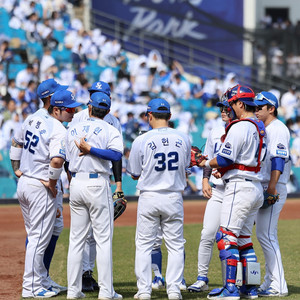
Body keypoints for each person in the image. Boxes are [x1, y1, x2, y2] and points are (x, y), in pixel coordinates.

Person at [9, 88, 80, 298]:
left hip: (26, 182)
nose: (73, 113)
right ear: (56, 109)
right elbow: (57, 161)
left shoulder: (32, 119)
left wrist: (16, 170)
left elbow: (16, 142)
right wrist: (51, 183)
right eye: (69, 110)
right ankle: (30, 287)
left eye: (74, 109)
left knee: (37, 236)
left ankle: (40, 280)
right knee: (38, 238)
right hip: (40, 185)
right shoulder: (58, 130)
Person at [197, 85, 266, 300]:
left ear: (241, 104)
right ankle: (250, 287)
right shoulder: (259, 126)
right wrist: (224, 170)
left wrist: (206, 162)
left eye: (232, 103)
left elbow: (225, 158)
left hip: (239, 187)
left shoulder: (240, 126)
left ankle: (230, 289)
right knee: (244, 239)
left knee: (225, 236)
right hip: (254, 185)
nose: (230, 107)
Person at [127, 98, 191, 300]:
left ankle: (144, 290)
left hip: (150, 197)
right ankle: (173, 289)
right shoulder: (184, 137)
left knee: (144, 245)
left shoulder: (141, 140)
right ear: (170, 116)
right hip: (174, 196)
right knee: (175, 245)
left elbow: (134, 173)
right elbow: (186, 168)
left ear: (149, 116)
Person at [66, 92, 124, 300]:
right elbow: (116, 155)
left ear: (89, 108)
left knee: (76, 240)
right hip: (97, 183)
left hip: (76, 183)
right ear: (107, 111)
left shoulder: (72, 128)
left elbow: (64, 158)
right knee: (103, 240)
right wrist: (92, 150)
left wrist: (86, 150)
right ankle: (107, 292)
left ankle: (73, 292)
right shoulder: (110, 128)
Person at [188, 99, 231, 293]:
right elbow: (207, 157)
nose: (222, 111)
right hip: (219, 189)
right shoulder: (215, 131)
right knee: (207, 234)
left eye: (226, 107)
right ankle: (202, 279)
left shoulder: (243, 129)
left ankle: (229, 283)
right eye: (221, 108)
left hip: (236, 190)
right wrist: (205, 180)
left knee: (229, 238)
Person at [254, 91, 291, 297]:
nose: (256, 109)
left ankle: (279, 286)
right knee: (265, 235)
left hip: (273, 186)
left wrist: (271, 188)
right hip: (267, 185)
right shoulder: (266, 128)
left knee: (267, 235)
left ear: (271, 109)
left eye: (260, 107)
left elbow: (278, 160)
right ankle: (269, 281)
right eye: (255, 106)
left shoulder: (277, 129)